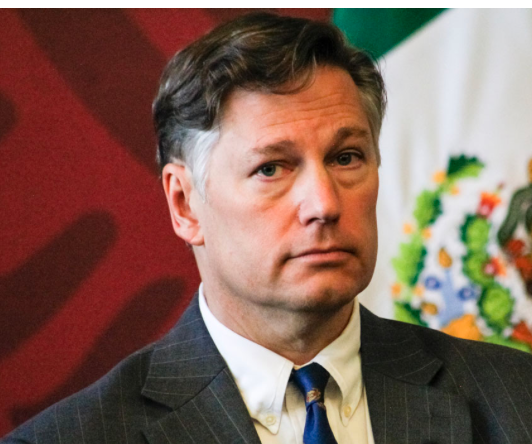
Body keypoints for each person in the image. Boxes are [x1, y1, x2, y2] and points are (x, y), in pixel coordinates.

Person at [3, 12, 532, 444]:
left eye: (346, 157)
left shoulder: (517, 402)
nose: (324, 204)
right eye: (271, 168)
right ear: (184, 205)